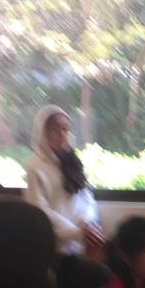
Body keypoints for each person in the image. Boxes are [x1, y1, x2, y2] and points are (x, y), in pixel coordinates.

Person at [24, 105, 104, 255]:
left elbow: (86, 197)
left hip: (81, 242)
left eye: (65, 129)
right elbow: (39, 211)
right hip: (54, 246)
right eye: (55, 129)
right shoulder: (35, 167)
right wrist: (76, 232)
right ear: (43, 132)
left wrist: (87, 222)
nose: (62, 134)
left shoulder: (72, 161)